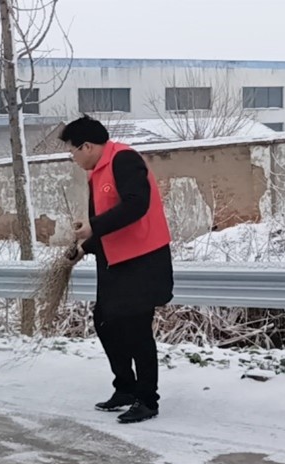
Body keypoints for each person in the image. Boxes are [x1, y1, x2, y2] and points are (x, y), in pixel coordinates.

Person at [60, 115, 174, 424]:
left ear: (87, 146)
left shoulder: (124, 159)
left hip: (142, 260)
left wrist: (92, 227)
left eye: (73, 150)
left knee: (137, 330)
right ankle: (125, 387)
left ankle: (147, 400)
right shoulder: (97, 171)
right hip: (115, 261)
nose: (72, 157)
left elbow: (137, 206)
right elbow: (110, 225)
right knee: (106, 321)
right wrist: (84, 247)